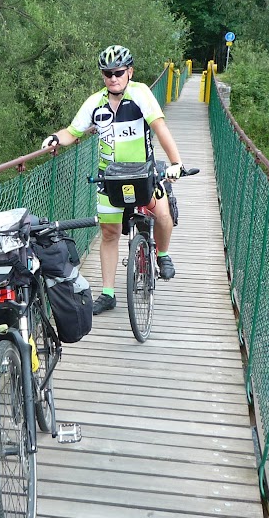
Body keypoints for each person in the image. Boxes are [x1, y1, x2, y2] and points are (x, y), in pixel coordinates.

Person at [41, 44, 185, 315]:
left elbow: (159, 128)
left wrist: (176, 163)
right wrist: (55, 139)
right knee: (109, 234)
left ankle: (162, 254)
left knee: (163, 213)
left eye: (118, 72)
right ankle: (108, 294)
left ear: (129, 71)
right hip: (110, 180)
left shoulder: (140, 93)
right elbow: (73, 132)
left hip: (143, 173)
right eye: (107, 73)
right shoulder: (95, 103)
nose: (113, 78)